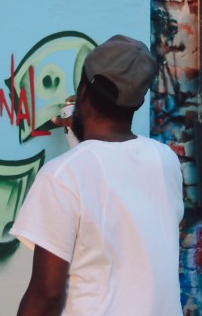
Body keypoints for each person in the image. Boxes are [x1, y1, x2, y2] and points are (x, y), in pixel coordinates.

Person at [10, 35, 184, 316]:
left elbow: (47, 295)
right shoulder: (166, 161)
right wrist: (80, 139)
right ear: (136, 103)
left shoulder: (62, 176)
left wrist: (79, 148)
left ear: (81, 91)